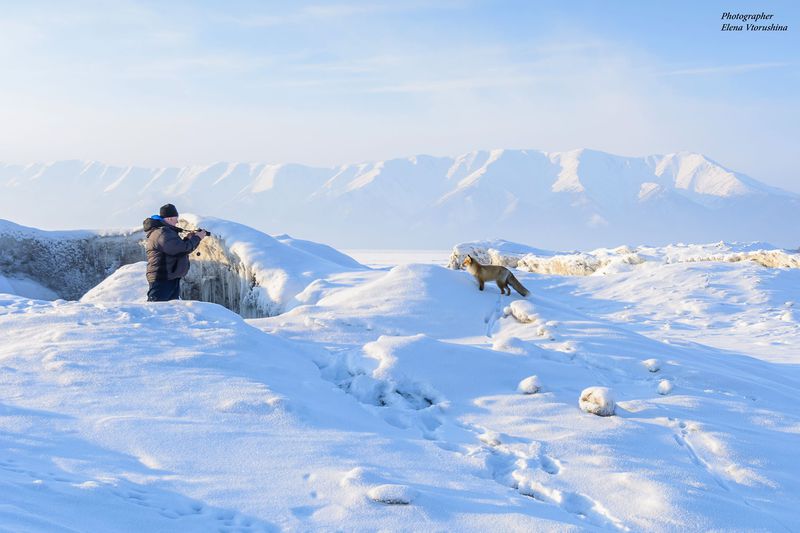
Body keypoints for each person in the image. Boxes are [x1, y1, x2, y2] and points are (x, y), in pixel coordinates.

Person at [142, 203, 207, 302]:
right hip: (162, 278)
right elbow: (181, 250)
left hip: (169, 277)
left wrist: (187, 239)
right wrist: (197, 237)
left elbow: (175, 249)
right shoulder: (162, 233)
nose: (177, 221)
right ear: (169, 218)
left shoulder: (165, 232)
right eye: (176, 218)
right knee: (157, 309)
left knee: (169, 312)